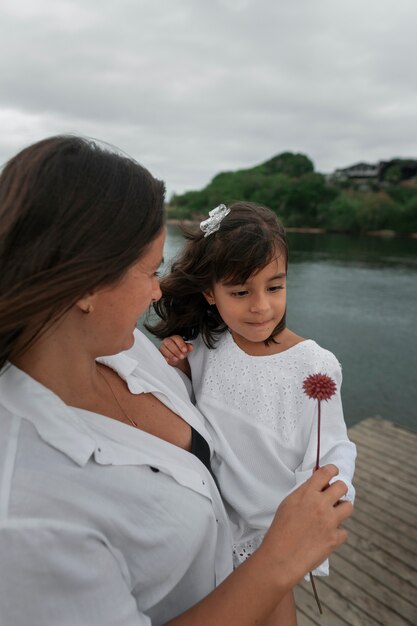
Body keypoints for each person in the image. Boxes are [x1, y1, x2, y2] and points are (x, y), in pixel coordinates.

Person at [0, 136, 353, 626]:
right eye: (149, 270)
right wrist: (277, 561)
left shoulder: (130, 351)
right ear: (85, 287)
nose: (158, 290)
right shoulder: (22, 518)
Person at [151, 202, 357, 625]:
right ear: (210, 293)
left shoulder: (313, 365)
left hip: (272, 528)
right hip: (216, 519)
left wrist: (313, 509)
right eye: (241, 292)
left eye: (275, 287)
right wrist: (177, 360)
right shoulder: (208, 346)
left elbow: (332, 444)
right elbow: (196, 406)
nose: (261, 306)